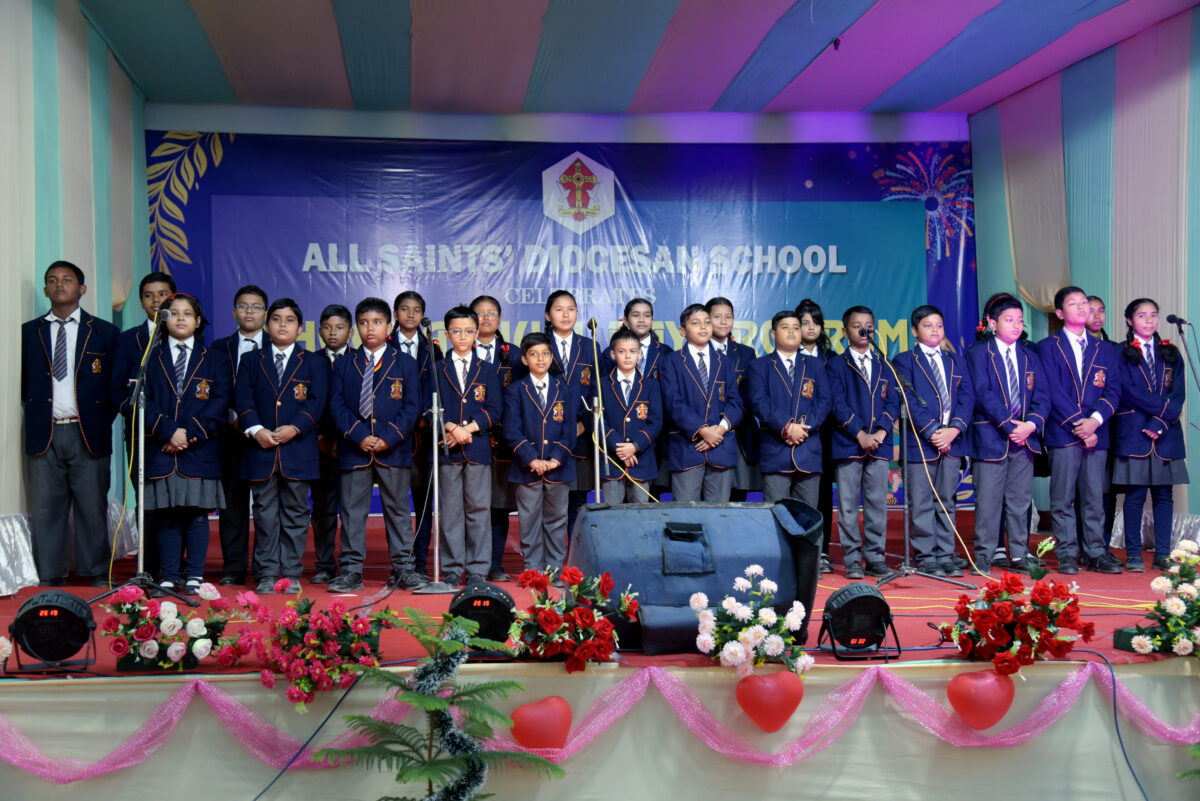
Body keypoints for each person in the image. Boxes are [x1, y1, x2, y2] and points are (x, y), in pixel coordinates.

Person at [22, 260, 119, 586]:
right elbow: (23, 384)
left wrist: (99, 420)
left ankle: (95, 571)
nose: (59, 285)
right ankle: (50, 573)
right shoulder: (29, 332)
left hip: (87, 431)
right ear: (45, 289)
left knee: (92, 507)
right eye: (52, 280)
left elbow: (114, 387)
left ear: (82, 289)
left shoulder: (104, 332)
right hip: (45, 431)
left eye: (67, 279)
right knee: (46, 509)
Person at [135, 294, 229, 595]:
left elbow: (220, 403)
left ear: (197, 321)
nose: (180, 318)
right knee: (167, 515)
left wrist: (187, 434)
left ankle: (194, 576)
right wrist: (167, 431)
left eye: (187, 313)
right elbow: (141, 400)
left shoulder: (215, 359)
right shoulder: (150, 357)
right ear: (164, 320)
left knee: (196, 515)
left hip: (199, 448)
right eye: (173, 313)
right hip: (161, 447)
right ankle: (170, 575)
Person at [328, 298, 422, 593]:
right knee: (352, 513)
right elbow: (337, 406)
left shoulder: (405, 363)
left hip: (392, 449)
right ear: (356, 328)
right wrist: (358, 435)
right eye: (364, 323)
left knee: (398, 511)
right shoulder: (345, 363)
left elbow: (412, 407)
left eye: (377, 322)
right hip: (354, 450)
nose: (371, 328)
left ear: (389, 327)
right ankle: (351, 570)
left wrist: (388, 437)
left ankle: (404, 569)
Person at [235, 298, 327, 594]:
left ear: (300, 328)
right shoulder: (251, 360)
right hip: (260, 449)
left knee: (296, 513)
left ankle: (290, 573)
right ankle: (266, 573)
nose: (282, 325)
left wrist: (295, 428)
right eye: (276, 319)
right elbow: (242, 399)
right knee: (264, 513)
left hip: (297, 450)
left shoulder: (314, 362)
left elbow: (317, 402)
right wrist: (256, 429)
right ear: (267, 325)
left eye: (289, 320)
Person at [1037, 286, 1123, 575]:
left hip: (1097, 433)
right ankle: (1066, 553)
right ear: (1060, 313)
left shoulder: (1105, 349)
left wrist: (1095, 422)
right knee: (1063, 498)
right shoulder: (1047, 347)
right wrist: (1080, 424)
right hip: (1064, 433)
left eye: (1085, 302)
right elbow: (1051, 391)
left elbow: (1113, 390)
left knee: (1094, 497)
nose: (1082, 307)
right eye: (1074, 303)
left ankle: (1095, 552)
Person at [966, 296, 1048, 573]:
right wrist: (1009, 426)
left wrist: (1031, 425)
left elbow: (1043, 397)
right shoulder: (979, 353)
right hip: (991, 437)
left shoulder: (1030, 356)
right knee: (988, 501)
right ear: (992, 323)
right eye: (1009, 320)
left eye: (1020, 321)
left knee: (1020, 501)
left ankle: (1019, 554)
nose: (1016, 325)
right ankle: (984, 555)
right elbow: (982, 393)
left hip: (1024, 440)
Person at [893, 305, 974, 577]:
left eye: (939, 325)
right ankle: (925, 555)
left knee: (946, 501)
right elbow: (908, 399)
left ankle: (946, 554)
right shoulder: (905, 361)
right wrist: (933, 431)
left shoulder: (955, 360)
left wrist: (954, 429)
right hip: (921, 442)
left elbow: (967, 398)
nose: (935, 330)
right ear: (914, 331)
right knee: (922, 502)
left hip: (952, 441)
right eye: (928, 325)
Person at [427, 305, 502, 585]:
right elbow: (428, 408)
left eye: (469, 331)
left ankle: (478, 569)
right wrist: (450, 428)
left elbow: (495, 410)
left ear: (476, 333)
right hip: (446, 450)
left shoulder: (488, 369)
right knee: (450, 512)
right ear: (447, 335)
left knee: (479, 510)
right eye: (456, 331)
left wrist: (466, 430)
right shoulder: (436, 369)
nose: (462, 336)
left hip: (477, 449)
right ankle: (452, 568)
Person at [1112, 298, 1188, 572]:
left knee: (1164, 495)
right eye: (1142, 315)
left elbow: (1178, 395)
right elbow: (1129, 392)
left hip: (1165, 433)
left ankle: (1163, 554)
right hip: (1134, 432)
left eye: (1153, 315)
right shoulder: (1119, 353)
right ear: (1130, 320)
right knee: (1134, 495)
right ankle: (1134, 555)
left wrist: (1160, 422)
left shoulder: (1171, 353)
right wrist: (1163, 411)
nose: (1149, 320)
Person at [111, 271, 177, 578]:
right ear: (141, 302)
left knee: (176, 503)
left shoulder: (186, 335)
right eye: (149, 296)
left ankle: (175, 569)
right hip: (143, 435)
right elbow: (118, 391)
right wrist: (151, 421)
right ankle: (148, 569)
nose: (156, 301)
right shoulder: (128, 340)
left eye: (162, 294)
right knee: (147, 501)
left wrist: (176, 430)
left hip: (181, 438)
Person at [827, 305, 898, 580]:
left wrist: (880, 433)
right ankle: (853, 558)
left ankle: (876, 557)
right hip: (849, 443)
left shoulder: (884, 363)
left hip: (880, 444)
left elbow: (893, 402)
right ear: (845, 331)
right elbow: (837, 404)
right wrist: (860, 434)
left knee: (877, 503)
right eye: (857, 326)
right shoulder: (836, 364)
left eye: (868, 326)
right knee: (847, 506)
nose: (864, 330)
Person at [503, 332, 578, 574]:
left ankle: (554, 570)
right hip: (527, 469)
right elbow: (511, 431)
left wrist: (556, 459)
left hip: (559, 469)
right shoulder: (516, 390)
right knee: (529, 521)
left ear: (552, 357)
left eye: (545, 353)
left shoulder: (564, 389)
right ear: (525, 360)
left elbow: (569, 430)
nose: (540, 359)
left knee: (557, 521)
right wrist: (532, 459)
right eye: (534, 354)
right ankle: (533, 571)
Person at [209, 284, 268, 585]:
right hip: (228, 436)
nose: (249, 312)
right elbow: (211, 391)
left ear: (265, 313)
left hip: (266, 438)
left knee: (267, 506)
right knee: (232, 506)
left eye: (256, 307)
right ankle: (233, 568)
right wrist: (232, 419)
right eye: (243, 306)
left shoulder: (277, 344)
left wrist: (255, 424)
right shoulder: (218, 348)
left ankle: (265, 568)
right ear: (234, 313)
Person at [659, 303, 743, 502]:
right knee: (687, 514)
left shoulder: (725, 362)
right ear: (682, 331)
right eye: (696, 323)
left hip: (721, 446)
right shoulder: (670, 362)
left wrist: (719, 430)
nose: (703, 327)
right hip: (687, 447)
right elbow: (673, 404)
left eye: (707, 322)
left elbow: (735, 402)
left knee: (719, 514)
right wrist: (703, 431)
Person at [748, 310, 829, 508]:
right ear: (773, 334)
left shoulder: (815, 365)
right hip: (776, 450)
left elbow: (824, 401)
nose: (792, 332)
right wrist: (787, 427)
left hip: (808, 449)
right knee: (776, 514)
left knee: (808, 517)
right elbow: (759, 402)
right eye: (785, 327)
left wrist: (802, 427)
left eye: (796, 328)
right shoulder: (759, 366)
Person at [391, 290, 442, 581]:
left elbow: (437, 389)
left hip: (423, 437)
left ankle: (420, 563)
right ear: (395, 313)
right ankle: (398, 565)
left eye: (416, 310)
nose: (410, 315)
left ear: (423, 315)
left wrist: (426, 418)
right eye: (404, 309)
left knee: (424, 504)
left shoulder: (432, 348)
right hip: (392, 436)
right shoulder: (383, 345)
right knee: (396, 504)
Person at [472, 294, 521, 582]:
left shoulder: (513, 354)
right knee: (473, 505)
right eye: (480, 313)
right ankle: (472, 565)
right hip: (470, 436)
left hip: (504, 440)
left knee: (499, 505)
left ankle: (495, 563)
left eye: (492, 313)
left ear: (500, 319)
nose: (486, 318)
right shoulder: (460, 350)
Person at [544, 290, 597, 536]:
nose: (566, 315)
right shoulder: (539, 345)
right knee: (551, 501)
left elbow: (598, 391)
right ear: (548, 315)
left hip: (581, 435)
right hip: (547, 435)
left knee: (577, 499)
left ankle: (576, 554)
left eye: (571, 309)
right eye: (559, 309)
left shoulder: (589, 346)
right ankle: (551, 556)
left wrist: (585, 424)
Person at [311, 304, 352, 585]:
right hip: (319, 447)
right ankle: (325, 564)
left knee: (351, 510)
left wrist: (347, 437)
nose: (333, 332)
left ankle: (350, 565)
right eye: (327, 327)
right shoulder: (310, 361)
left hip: (353, 445)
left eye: (339, 327)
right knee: (323, 510)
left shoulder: (361, 360)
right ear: (319, 331)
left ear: (350, 331)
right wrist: (320, 438)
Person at [796, 299, 837, 573]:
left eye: (816, 322)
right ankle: (795, 550)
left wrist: (812, 423)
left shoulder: (832, 359)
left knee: (822, 495)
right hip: (790, 435)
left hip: (823, 435)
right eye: (804, 323)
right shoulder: (784, 356)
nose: (811, 327)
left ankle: (822, 551)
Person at [598, 326, 661, 503]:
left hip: (641, 460)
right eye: (622, 351)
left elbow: (655, 422)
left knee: (640, 512)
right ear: (612, 354)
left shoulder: (651, 386)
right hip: (612, 460)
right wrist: (621, 448)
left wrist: (635, 446)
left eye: (633, 351)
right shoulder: (602, 384)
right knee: (612, 512)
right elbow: (598, 421)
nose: (627, 356)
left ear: (640, 354)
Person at [707, 297, 760, 501]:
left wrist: (727, 420)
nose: (723, 322)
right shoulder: (698, 352)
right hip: (706, 434)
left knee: (737, 499)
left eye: (728, 317)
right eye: (717, 317)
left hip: (739, 434)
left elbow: (752, 394)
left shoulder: (746, 354)